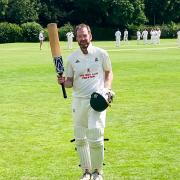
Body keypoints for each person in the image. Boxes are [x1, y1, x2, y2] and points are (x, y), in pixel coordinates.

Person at [58, 23, 113, 180]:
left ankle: (97, 172)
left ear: (90, 36)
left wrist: (107, 89)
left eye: (85, 35)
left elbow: (108, 72)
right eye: (80, 36)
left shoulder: (102, 53)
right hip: (79, 101)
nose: (83, 39)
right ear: (76, 38)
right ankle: (86, 172)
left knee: (96, 135)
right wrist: (63, 81)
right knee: (81, 138)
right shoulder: (72, 58)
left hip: (97, 100)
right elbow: (69, 82)